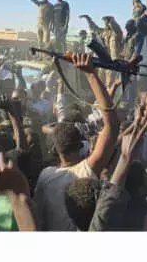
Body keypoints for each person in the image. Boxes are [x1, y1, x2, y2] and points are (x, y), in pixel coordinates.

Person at [33, 53, 119, 231]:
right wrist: (90, 74)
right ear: (82, 146)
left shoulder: (45, 176)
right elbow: (112, 127)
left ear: (55, 149)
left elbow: (38, 219)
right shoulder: (85, 171)